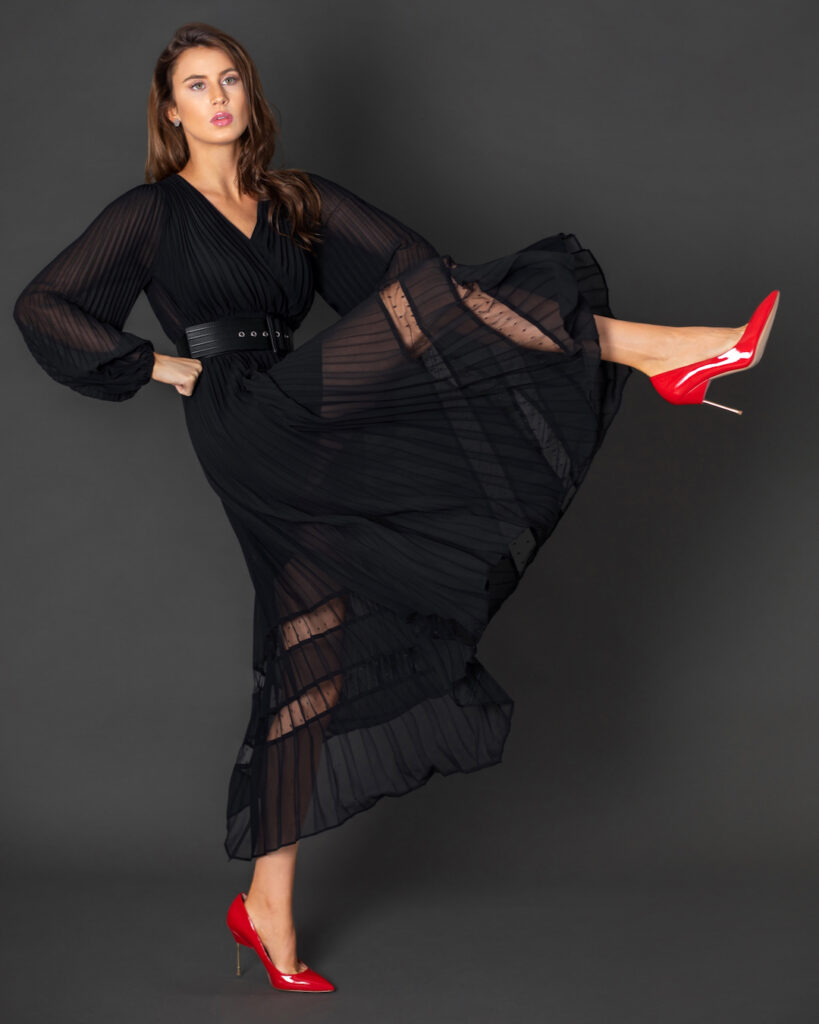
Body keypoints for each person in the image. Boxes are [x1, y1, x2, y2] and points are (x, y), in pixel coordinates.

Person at [12, 21, 779, 996]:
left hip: (310, 408)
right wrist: (159, 365)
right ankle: (665, 351)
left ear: (250, 94)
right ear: (169, 111)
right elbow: (44, 306)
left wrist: (457, 320)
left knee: (314, 640)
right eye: (196, 85)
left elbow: (423, 278)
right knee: (323, 605)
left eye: (230, 78)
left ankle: (267, 903)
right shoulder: (150, 213)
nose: (218, 97)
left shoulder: (298, 201)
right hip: (243, 414)